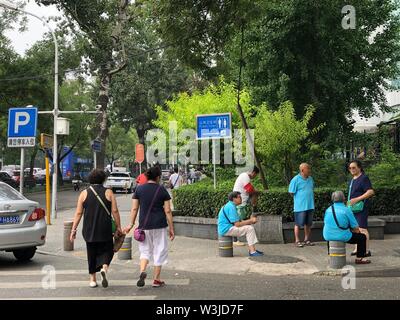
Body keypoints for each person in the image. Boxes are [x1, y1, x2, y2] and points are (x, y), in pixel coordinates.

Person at [70, 169, 123, 288]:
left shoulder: (84, 193)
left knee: (91, 253)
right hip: (105, 228)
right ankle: (104, 267)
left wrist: (73, 230)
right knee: (108, 249)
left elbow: (78, 213)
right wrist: (119, 226)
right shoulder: (108, 192)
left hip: (89, 229)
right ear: (103, 179)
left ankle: (92, 279)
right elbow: (114, 211)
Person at [123, 166, 175, 288]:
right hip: (159, 225)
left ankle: (142, 271)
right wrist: (171, 228)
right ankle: (156, 280)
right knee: (159, 250)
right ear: (158, 177)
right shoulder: (162, 190)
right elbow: (167, 211)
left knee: (145, 251)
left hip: (144, 226)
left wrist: (131, 224)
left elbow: (135, 208)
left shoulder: (139, 189)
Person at [323, 191, 371, 264]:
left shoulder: (328, 209)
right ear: (343, 199)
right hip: (342, 236)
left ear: (332, 199)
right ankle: (359, 258)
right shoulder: (346, 210)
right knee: (362, 237)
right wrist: (356, 231)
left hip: (327, 235)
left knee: (331, 234)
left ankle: (331, 255)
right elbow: (355, 227)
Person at [217, 192, 263, 256]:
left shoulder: (230, 205)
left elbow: (239, 221)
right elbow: (237, 224)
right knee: (249, 228)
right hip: (226, 229)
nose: (241, 198)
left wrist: (250, 221)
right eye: (239, 197)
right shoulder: (231, 207)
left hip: (226, 228)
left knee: (248, 227)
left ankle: (252, 250)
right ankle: (252, 251)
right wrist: (251, 220)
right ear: (234, 199)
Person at [347, 160, 374, 256]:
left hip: (361, 208)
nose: (351, 169)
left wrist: (357, 199)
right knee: (355, 228)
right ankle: (357, 249)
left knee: (362, 229)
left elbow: (370, 192)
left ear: (359, 167)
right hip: (353, 208)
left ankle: (365, 250)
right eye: (350, 168)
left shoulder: (364, 178)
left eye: (354, 167)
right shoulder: (352, 179)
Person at [288, 163, 315, 247]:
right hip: (300, 207)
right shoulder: (295, 179)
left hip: (310, 205)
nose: (309, 170)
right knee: (298, 224)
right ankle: (297, 240)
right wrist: (299, 199)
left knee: (308, 224)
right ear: (302, 170)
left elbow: (312, 188)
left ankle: (306, 240)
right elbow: (291, 192)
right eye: (308, 169)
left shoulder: (310, 179)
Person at [232, 166, 260, 246]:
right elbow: (249, 189)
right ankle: (235, 240)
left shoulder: (244, 176)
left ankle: (249, 240)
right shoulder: (245, 176)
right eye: (256, 175)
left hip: (242, 201)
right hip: (241, 202)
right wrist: (255, 192)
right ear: (253, 172)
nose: (255, 177)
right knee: (239, 221)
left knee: (243, 221)